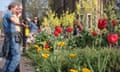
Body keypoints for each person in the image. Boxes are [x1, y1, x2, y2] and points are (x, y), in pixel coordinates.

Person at [2, 2, 24, 72]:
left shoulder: (9, 14)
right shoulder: (9, 14)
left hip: (11, 36)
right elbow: (13, 21)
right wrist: (20, 24)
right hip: (12, 36)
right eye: (16, 8)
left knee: (10, 56)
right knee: (16, 56)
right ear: (12, 8)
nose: (17, 10)